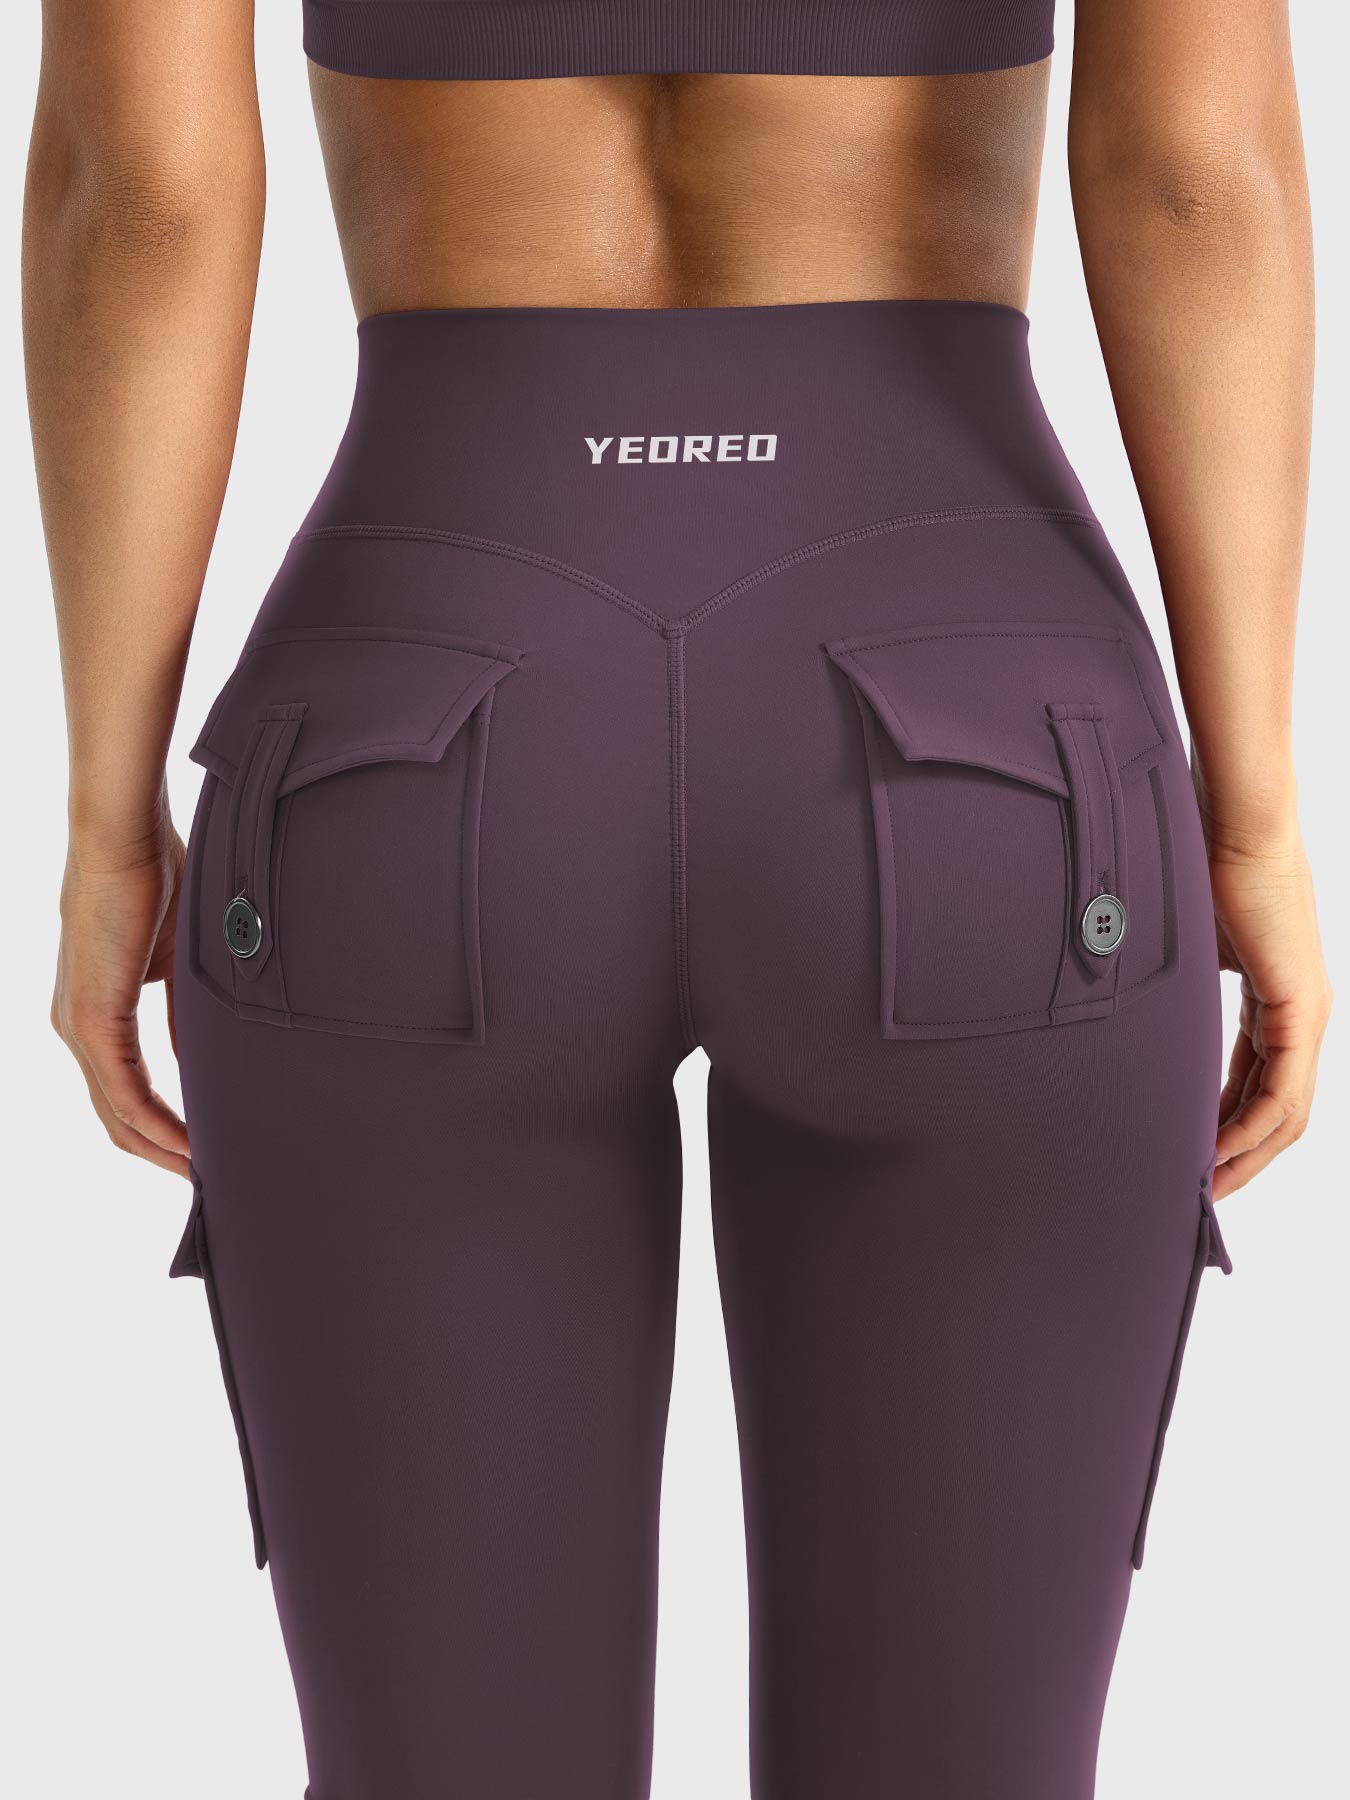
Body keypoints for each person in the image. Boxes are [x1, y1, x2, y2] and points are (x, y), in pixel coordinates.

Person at [24, 1, 1330, 1795]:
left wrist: (109, 820)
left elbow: (144, 196)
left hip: (420, 721)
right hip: (979, 735)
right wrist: (1248, 815)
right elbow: (1191, 176)